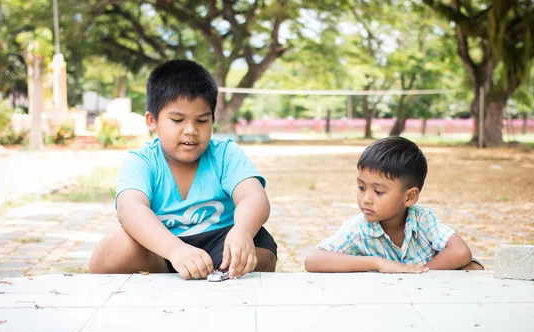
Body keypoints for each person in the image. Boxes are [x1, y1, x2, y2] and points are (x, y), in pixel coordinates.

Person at [89, 60, 277, 279]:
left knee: (258, 252)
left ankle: (222, 276)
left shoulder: (225, 153)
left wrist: (242, 230)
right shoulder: (142, 161)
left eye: (202, 120)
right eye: (177, 120)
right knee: (115, 248)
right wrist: (174, 250)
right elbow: (130, 210)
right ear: (152, 120)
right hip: (162, 247)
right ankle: (173, 275)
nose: (191, 130)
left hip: (222, 242)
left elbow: (254, 197)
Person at [305, 136, 482, 273]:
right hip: (383, 300)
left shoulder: (422, 219)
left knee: (473, 268)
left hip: (429, 294)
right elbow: (313, 259)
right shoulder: (359, 228)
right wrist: (378, 263)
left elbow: (460, 251)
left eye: (378, 192)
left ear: (410, 197)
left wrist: (419, 274)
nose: (366, 199)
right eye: (361, 187)